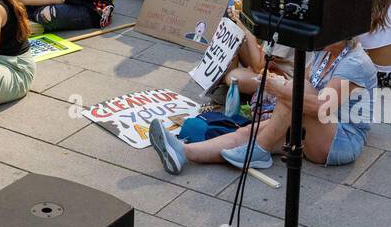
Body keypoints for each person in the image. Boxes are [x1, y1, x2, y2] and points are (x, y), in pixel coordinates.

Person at [149, 27, 378, 173]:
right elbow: (303, 81)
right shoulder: (327, 51)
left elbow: (320, 107)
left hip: (340, 140)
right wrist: (278, 86)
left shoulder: (355, 63)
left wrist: (280, 89)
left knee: (290, 96)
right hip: (311, 125)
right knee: (245, 133)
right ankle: (182, 152)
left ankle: (260, 150)